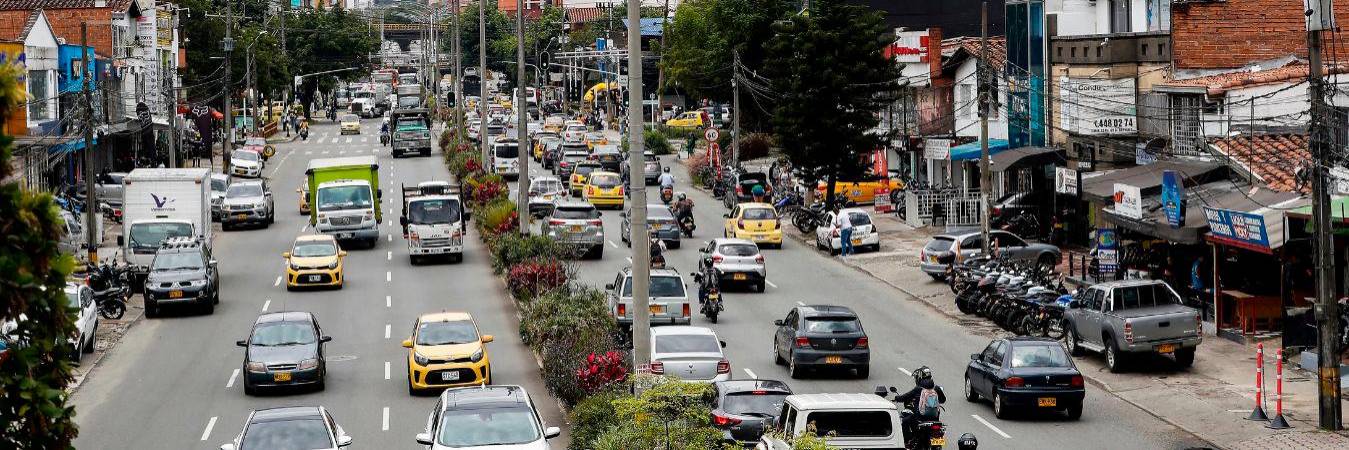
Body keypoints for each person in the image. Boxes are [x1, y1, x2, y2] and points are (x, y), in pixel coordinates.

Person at [895, 366, 946, 438]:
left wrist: (897, 398)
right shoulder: (936, 388)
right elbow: (943, 400)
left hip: (920, 418)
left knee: (905, 421)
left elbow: (905, 397)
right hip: (935, 419)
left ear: (919, 377)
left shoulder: (918, 389)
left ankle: (908, 441)